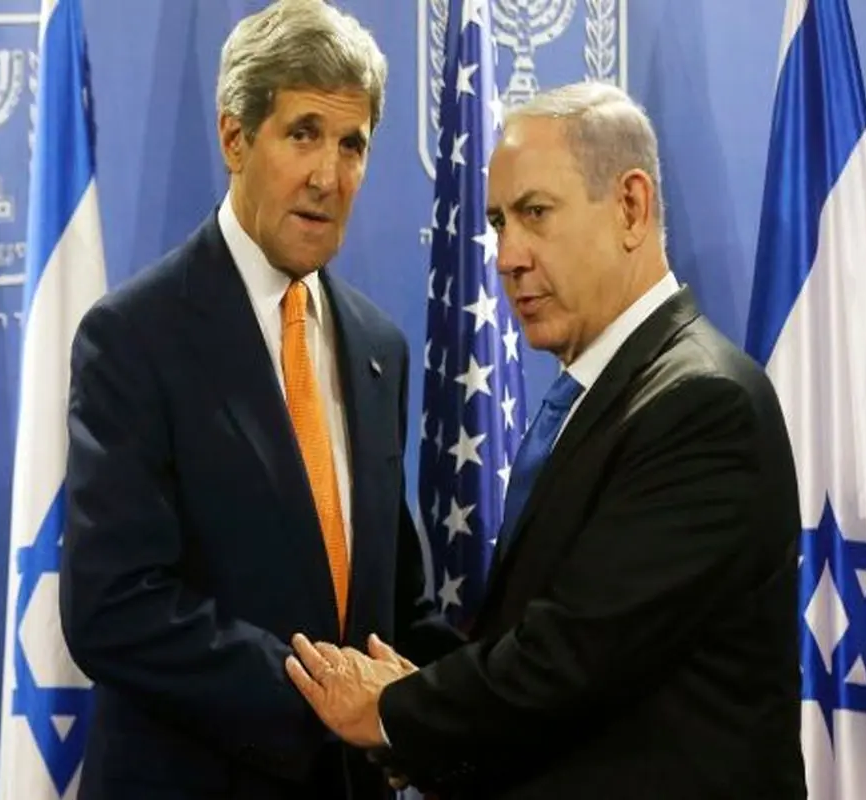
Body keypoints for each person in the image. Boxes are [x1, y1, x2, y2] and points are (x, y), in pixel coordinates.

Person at [285, 80, 808, 799]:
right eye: (499, 222)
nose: (507, 256)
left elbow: (572, 656)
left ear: (631, 207)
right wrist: (436, 731)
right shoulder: (604, 392)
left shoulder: (703, 404)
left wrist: (389, 713)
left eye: (536, 214)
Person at [59, 2, 457, 797]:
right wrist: (327, 700)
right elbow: (113, 607)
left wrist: (448, 710)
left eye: (351, 144)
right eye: (303, 133)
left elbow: (391, 597)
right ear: (235, 138)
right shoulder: (135, 336)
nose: (327, 177)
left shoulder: (378, 347)